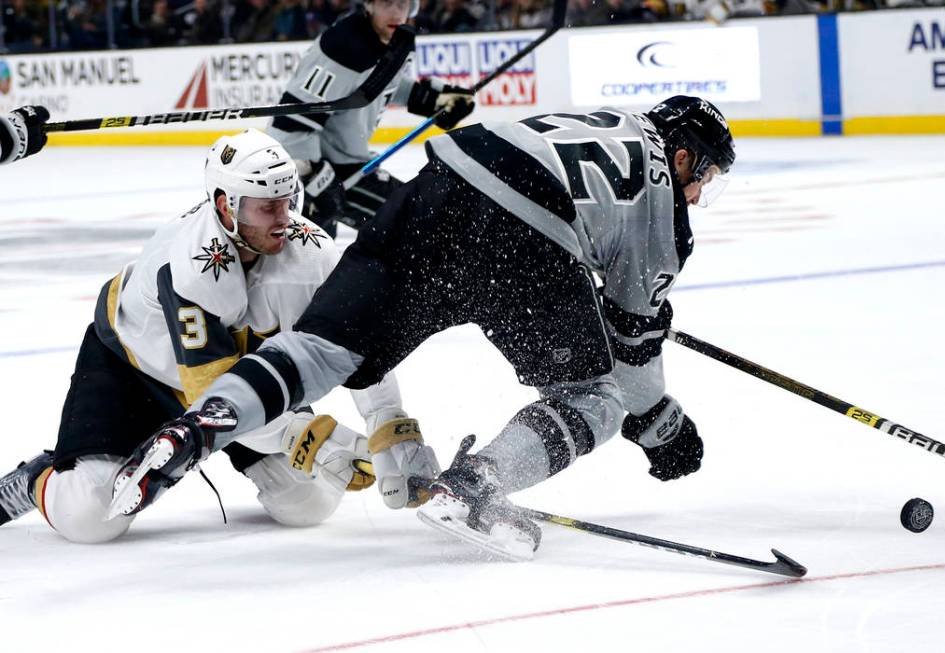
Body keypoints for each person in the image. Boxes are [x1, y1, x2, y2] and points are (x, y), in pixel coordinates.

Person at [112, 96, 736, 560]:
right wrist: (661, 427)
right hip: (521, 235)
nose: (700, 195)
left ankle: (203, 424)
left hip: (442, 182)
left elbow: (575, 207)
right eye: (703, 177)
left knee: (329, 348)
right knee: (593, 399)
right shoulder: (665, 206)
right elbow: (633, 354)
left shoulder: (605, 120)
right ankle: (475, 484)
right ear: (683, 155)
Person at [0, 129, 436, 543]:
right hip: (134, 371)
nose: (284, 220)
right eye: (267, 208)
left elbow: (355, 341)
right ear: (226, 206)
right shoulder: (189, 264)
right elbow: (212, 396)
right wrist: (304, 435)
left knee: (309, 503)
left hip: (236, 379)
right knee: (90, 517)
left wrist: (386, 420)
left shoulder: (312, 254)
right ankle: (41, 476)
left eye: (288, 202)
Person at [265, 0, 475, 237]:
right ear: (369, 5)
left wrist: (429, 97)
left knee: (421, 222)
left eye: (403, 4)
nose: (396, 12)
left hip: (348, 164)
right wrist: (310, 178)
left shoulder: (395, 39)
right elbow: (293, 120)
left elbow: (376, 85)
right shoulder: (344, 45)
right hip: (315, 170)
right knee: (414, 226)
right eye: (387, 3)